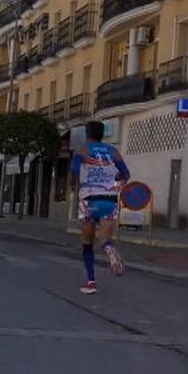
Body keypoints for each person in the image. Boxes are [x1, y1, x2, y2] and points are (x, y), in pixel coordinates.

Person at [69, 120, 130, 295]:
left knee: (87, 243)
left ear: (87, 133)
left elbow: (74, 172)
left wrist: (74, 185)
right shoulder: (113, 151)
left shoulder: (82, 150)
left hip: (89, 200)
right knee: (105, 239)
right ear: (102, 134)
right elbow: (126, 174)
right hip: (109, 200)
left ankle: (91, 282)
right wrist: (116, 185)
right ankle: (110, 250)